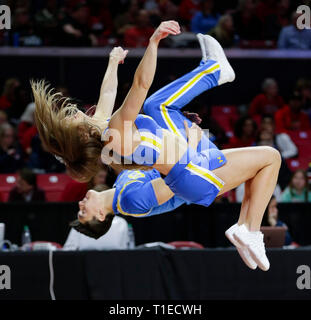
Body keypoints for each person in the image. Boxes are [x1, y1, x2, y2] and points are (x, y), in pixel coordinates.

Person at [32, 23, 281, 271]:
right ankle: (251, 229)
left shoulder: (105, 134)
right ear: (81, 133)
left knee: (156, 106)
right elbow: (140, 84)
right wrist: (153, 42)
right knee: (271, 157)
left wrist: (112, 61)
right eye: (70, 118)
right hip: (191, 170)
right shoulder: (116, 135)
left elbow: (107, 93)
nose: (74, 111)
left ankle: (214, 70)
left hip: (186, 162)